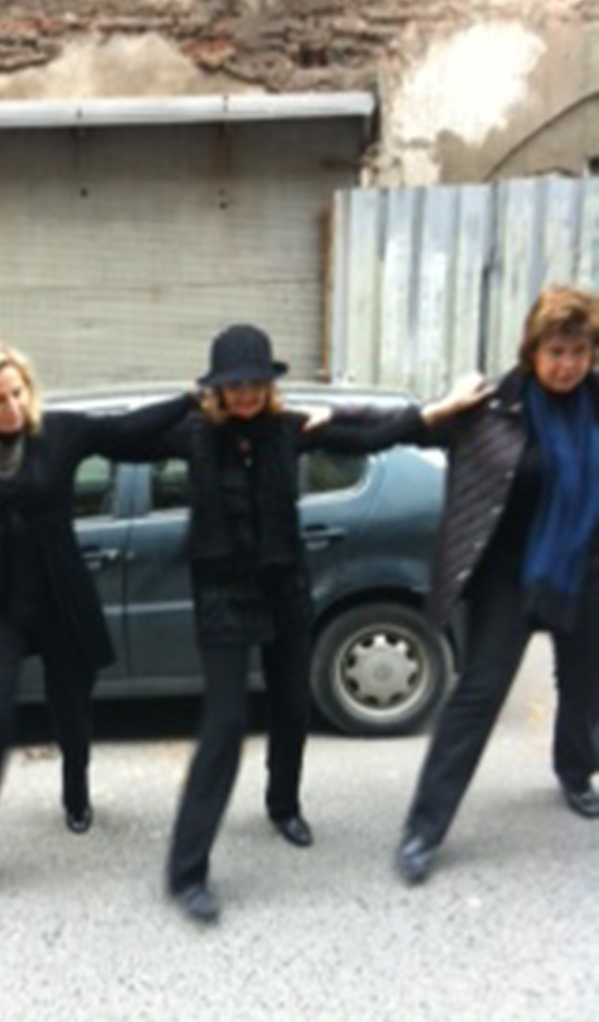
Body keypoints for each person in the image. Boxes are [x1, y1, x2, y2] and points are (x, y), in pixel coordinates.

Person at [147, 323, 485, 924]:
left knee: (291, 705)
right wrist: (180, 401)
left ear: (267, 385)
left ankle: (283, 806)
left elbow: (377, 435)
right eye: (234, 386)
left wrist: (442, 409)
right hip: (224, 591)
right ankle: (187, 870)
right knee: (225, 723)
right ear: (217, 389)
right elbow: (116, 437)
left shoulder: (290, 429)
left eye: (255, 384)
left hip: (284, 585)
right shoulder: (193, 433)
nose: (246, 395)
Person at [0, 343, 194, 905]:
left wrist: (191, 398)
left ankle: (76, 787)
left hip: (59, 600)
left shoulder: (59, 433)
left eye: (17, 392)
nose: (11, 406)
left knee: (73, 707)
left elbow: (126, 431)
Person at [396, 286, 599, 884]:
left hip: (584, 570)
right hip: (507, 574)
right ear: (532, 351)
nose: (567, 365)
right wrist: (327, 425)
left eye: (580, 352)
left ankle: (575, 772)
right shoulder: (492, 405)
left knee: (585, 684)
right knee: (479, 694)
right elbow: (407, 429)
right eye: (556, 351)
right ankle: (425, 828)